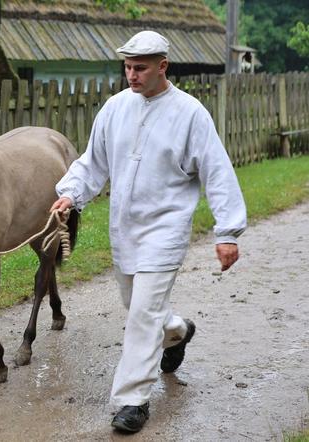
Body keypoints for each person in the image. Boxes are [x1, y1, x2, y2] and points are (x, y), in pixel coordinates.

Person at [50, 30, 247, 433]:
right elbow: (93, 163)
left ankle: (132, 400)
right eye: (127, 67)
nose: (132, 75)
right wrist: (71, 194)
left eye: (140, 68)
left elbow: (217, 170)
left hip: (166, 230)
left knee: (141, 315)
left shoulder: (191, 114)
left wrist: (227, 231)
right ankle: (177, 332)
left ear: (163, 67)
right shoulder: (114, 109)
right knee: (139, 307)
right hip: (125, 230)